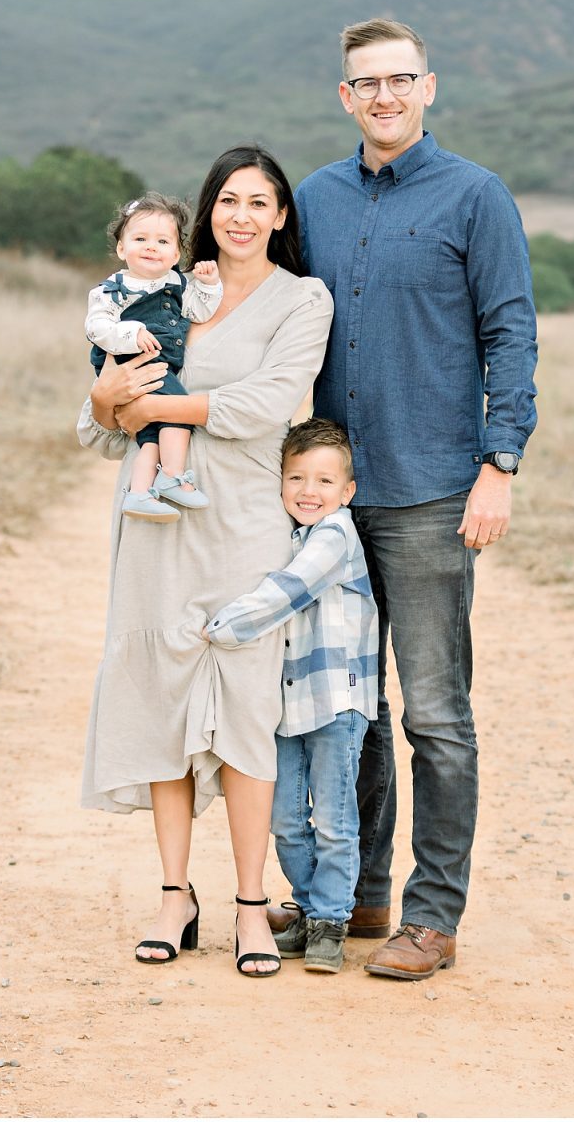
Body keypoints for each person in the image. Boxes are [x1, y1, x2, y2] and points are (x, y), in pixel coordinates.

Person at [293, 17, 538, 981]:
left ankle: (433, 917)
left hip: (433, 492)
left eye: (401, 79)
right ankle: (359, 895)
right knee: (346, 708)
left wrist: (499, 463)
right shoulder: (314, 198)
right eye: (367, 83)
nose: (385, 96)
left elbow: (510, 333)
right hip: (332, 500)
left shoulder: (476, 196)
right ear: (345, 96)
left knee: (434, 715)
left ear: (428, 88)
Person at [78, 144, 333, 978]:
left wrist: (144, 406)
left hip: (243, 521)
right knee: (162, 698)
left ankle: (251, 905)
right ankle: (174, 896)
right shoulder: (168, 287)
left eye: (259, 202)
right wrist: (106, 402)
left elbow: (267, 405)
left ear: (281, 215)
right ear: (208, 209)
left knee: (248, 708)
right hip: (156, 528)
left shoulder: (303, 299)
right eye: (228, 200)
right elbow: (97, 421)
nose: (241, 216)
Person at [202, 417, 378, 974]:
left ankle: (331, 920)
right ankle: (309, 907)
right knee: (284, 819)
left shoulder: (334, 536)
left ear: (347, 491)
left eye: (325, 481)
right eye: (296, 477)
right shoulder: (288, 534)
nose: (308, 491)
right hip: (286, 706)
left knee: (334, 820)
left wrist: (220, 627)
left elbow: (289, 591)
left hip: (335, 702)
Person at [85, 191, 222, 521]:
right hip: (132, 363)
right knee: (178, 413)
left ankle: (139, 493)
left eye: (162, 241)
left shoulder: (176, 284)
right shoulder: (114, 288)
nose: (151, 247)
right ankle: (172, 477)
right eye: (140, 239)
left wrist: (209, 285)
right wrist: (130, 333)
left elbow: (199, 312)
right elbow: (96, 326)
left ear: (176, 254)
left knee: (150, 437)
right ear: (122, 248)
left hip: (157, 366)